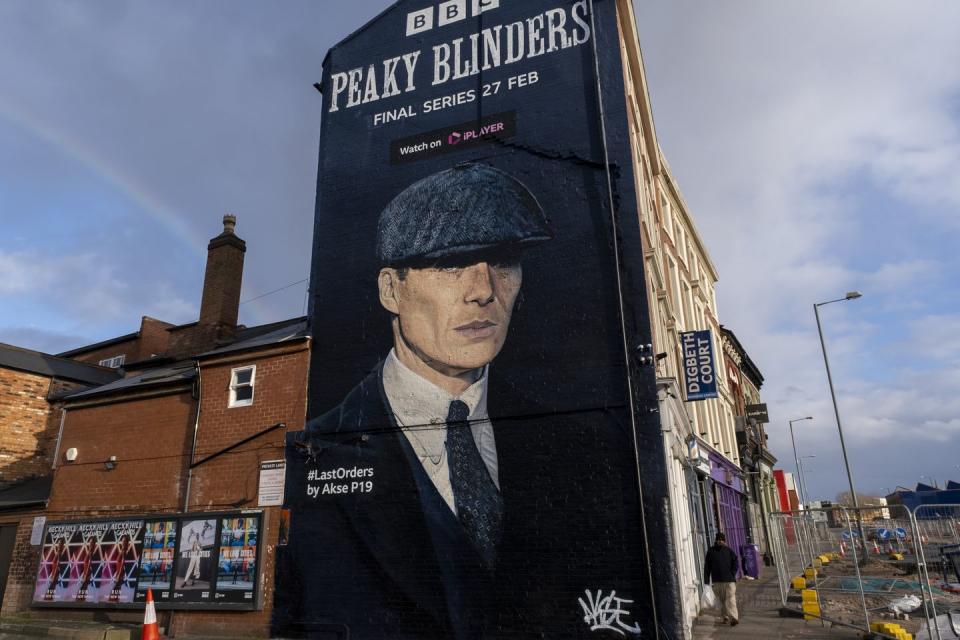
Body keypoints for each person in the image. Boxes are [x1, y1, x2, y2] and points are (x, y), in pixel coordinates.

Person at [703, 532, 740, 626]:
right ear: (716, 540)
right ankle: (725, 617)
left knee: (731, 599)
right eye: (719, 539)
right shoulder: (711, 552)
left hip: (729, 581)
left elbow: (736, 562)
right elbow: (707, 567)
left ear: (725, 541)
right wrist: (706, 581)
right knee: (721, 601)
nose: (720, 541)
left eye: (722, 540)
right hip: (717, 581)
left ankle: (734, 618)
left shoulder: (729, 551)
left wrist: (732, 573)